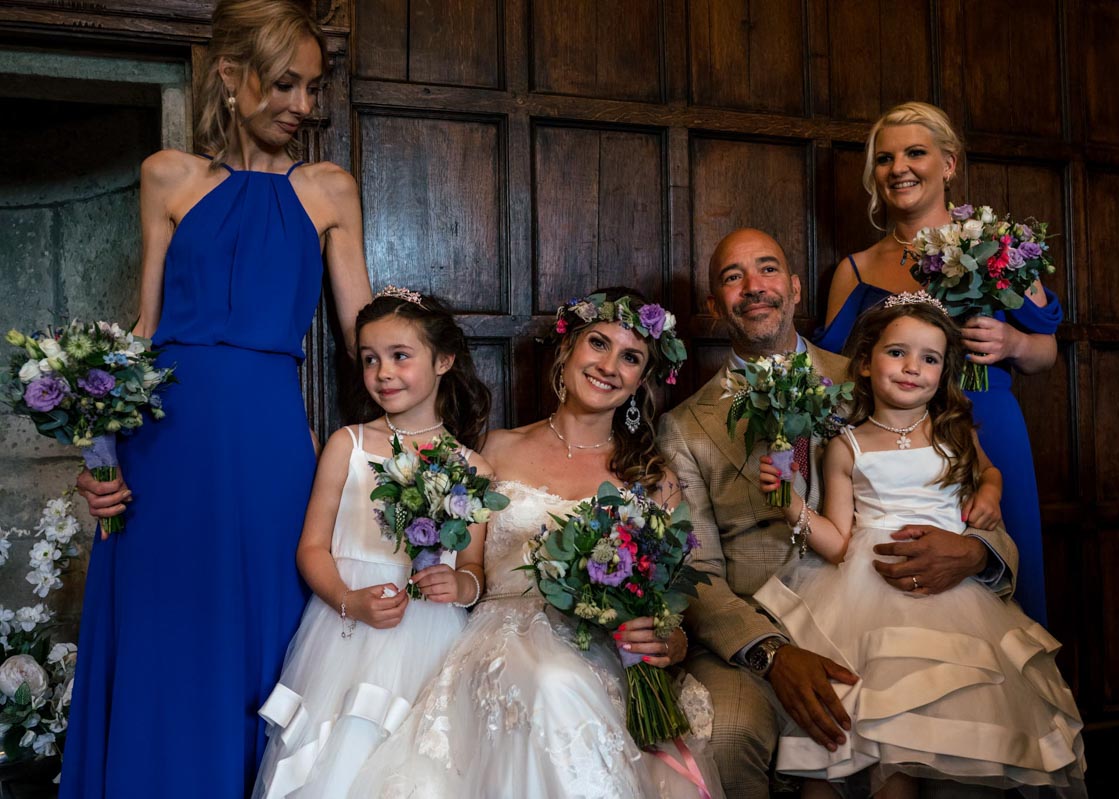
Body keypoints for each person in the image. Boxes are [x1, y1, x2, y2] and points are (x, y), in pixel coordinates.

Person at [61, 2, 372, 796]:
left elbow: (365, 337)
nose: (302, 106)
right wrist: (96, 455)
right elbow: (143, 329)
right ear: (231, 79)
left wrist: (425, 444)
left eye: (312, 88)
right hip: (162, 443)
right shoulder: (168, 175)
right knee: (165, 635)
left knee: (265, 631)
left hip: (269, 438)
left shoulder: (330, 190)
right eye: (284, 85)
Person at [657, 228, 1020, 799]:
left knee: (969, 724)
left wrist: (975, 552)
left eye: (769, 269)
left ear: (796, 289)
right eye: (733, 277)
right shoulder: (684, 427)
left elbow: (961, 486)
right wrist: (773, 654)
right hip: (763, 626)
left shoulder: (878, 373)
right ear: (713, 307)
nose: (755, 287)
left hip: (895, 608)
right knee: (727, 730)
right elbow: (693, 571)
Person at [350, 288, 721, 798]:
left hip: (600, 649)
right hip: (501, 636)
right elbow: (472, 568)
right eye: (598, 343)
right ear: (567, 351)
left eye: (630, 357)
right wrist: (450, 580)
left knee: (564, 683)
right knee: (551, 682)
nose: (609, 365)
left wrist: (665, 644)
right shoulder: (494, 449)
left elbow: (672, 615)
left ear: (640, 380)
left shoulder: (652, 478)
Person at [756, 294, 1085, 798]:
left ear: (943, 371)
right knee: (872, 735)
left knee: (950, 721)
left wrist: (991, 492)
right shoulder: (848, 444)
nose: (913, 368)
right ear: (865, 363)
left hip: (952, 597)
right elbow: (840, 544)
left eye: (929, 359)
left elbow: (988, 470)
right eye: (897, 353)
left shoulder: (953, 428)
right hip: (865, 591)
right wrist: (790, 506)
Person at [814, 101, 1061, 625]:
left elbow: (1047, 353)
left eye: (916, 153)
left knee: (1006, 583)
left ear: (948, 164)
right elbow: (833, 371)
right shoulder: (855, 270)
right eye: (884, 158)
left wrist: (1013, 344)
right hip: (896, 444)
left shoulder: (1001, 249)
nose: (898, 167)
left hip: (990, 424)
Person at [251, 289, 491, 799]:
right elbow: (311, 548)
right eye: (370, 359)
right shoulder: (349, 445)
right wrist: (347, 600)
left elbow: (473, 566)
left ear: (444, 360)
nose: (383, 372)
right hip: (346, 629)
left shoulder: (472, 467)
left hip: (431, 633)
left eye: (400, 356)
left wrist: (462, 585)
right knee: (341, 755)